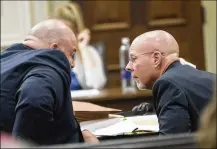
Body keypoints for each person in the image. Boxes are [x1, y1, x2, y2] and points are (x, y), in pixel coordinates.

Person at [0, 19, 99, 145]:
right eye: (71, 54)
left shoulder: (6, 61)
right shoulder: (50, 64)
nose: (72, 64)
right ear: (55, 49)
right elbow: (34, 101)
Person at [126, 30, 216, 135]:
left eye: (133, 59)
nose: (128, 67)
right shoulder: (208, 77)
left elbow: (171, 144)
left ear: (156, 58)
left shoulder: (167, 84)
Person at [53, 2, 107, 90]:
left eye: (66, 32)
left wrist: (83, 49)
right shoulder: (49, 54)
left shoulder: (90, 52)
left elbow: (96, 85)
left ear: (77, 32)